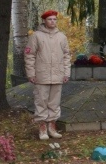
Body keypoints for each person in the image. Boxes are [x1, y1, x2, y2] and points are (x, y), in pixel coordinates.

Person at [25, 10, 72, 140]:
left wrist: (66, 72)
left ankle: (52, 127)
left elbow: (67, 55)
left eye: (54, 19)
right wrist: (31, 73)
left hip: (57, 74)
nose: (52, 21)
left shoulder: (62, 36)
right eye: (50, 19)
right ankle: (42, 129)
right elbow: (29, 55)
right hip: (42, 75)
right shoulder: (36, 36)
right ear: (44, 21)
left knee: (54, 102)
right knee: (41, 101)